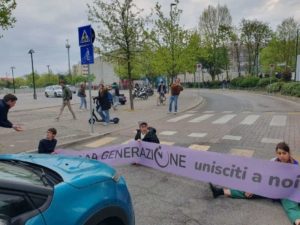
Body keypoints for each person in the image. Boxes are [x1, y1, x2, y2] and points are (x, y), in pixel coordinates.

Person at [209, 142, 300, 225]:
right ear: (276, 154)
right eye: (279, 153)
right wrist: (253, 189)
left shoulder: (295, 166)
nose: (281, 156)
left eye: (284, 153)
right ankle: (220, 192)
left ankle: (297, 221)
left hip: (288, 193)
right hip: (272, 189)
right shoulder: (273, 162)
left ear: (289, 153)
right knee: (247, 192)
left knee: (291, 207)